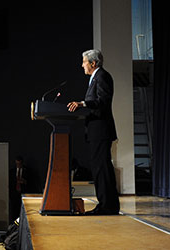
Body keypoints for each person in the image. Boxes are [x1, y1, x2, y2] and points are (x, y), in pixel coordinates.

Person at [67, 49, 120, 215]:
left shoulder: (102, 76)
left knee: (102, 169)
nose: (82, 65)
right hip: (95, 131)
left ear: (93, 63)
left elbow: (102, 102)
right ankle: (106, 205)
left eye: (84, 62)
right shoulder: (95, 77)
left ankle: (107, 206)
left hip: (101, 131)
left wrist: (82, 104)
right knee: (99, 169)